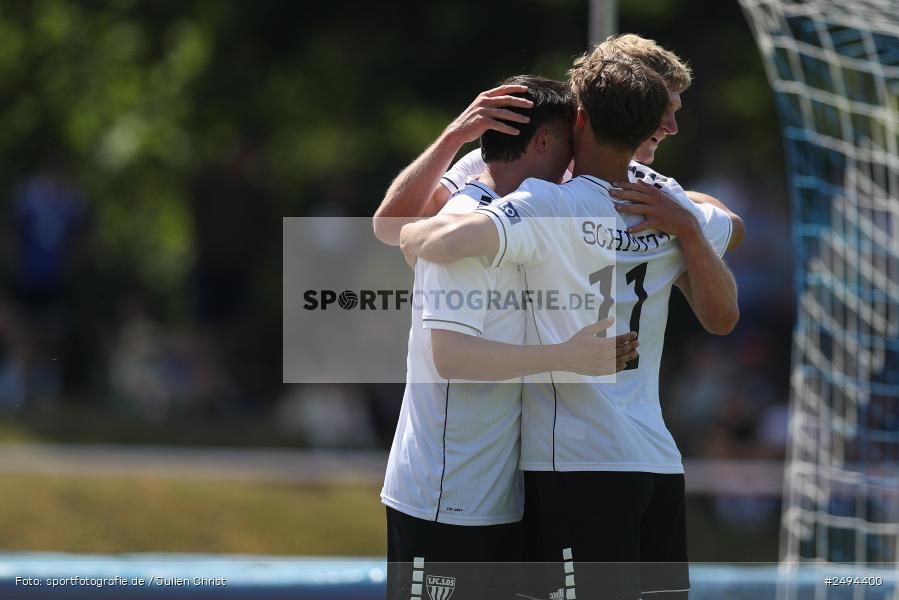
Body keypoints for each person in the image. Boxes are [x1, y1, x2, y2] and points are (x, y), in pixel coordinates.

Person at [400, 48, 741, 599]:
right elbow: (730, 272)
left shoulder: (547, 202)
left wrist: (419, 234)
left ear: (578, 118)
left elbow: (438, 240)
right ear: (647, 128)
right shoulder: (669, 201)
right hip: (655, 460)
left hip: (577, 464)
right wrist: (690, 229)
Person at [380, 75, 639, 600]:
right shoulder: (462, 223)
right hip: (446, 494)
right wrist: (566, 357)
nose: (576, 165)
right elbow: (451, 357)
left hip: (497, 493)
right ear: (543, 143)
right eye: (569, 147)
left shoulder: (522, 209)